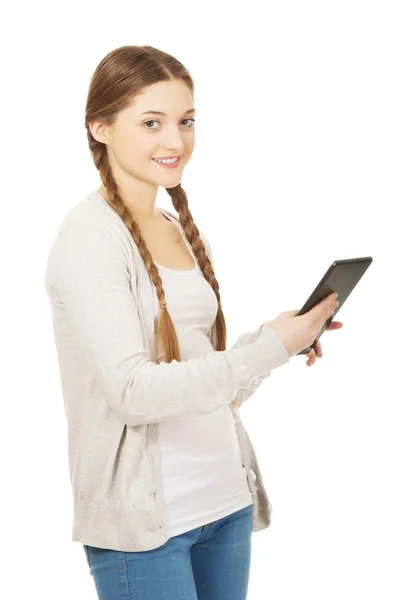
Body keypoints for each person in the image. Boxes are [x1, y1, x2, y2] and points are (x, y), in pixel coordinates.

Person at [44, 44, 342, 600]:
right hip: (147, 529)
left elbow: (203, 380)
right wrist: (266, 349)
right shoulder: (89, 237)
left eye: (186, 121)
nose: (175, 141)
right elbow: (134, 393)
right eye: (151, 122)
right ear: (101, 126)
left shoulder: (175, 226)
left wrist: (280, 342)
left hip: (225, 504)